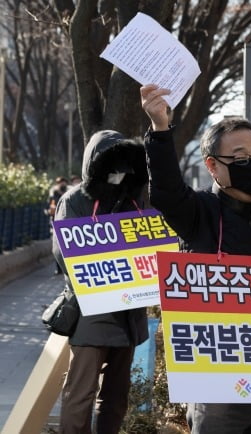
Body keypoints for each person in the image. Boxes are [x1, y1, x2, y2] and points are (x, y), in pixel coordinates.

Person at [140, 84, 251, 434]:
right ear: (213, 165)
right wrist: (161, 129)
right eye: (239, 156)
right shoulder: (199, 213)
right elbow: (165, 191)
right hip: (218, 369)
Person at [52, 130, 150, 433]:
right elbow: (64, 255)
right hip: (91, 313)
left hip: (130, 315)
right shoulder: (74, 200)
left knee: (117, 397)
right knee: (80, 394)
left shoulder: (136, 199)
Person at [48, 177, 68, 275]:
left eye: (63, 182)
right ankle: (59, 268)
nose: (61, 184)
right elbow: (49, 208)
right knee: (57, 246)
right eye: (59, 183)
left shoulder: (69, 193)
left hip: (68, 223)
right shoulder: (53, 195)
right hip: (56, 223)